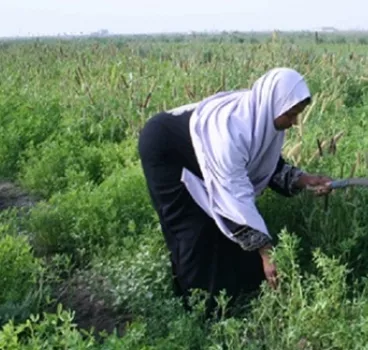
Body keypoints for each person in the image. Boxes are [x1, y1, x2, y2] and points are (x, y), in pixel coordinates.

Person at [137, 67, 332, 315]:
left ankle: (237, 294)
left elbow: (269, 164)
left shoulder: (262, 117)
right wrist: (267, 253)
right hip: (166, 150)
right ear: (275, 104)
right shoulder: (231, 132)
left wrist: (305, 180)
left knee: (226, 228)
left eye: (297, 114)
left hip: (202, 153)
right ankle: (200, 311)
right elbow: (235, 201)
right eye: (291, 114)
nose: (294, 122)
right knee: (194, 229)